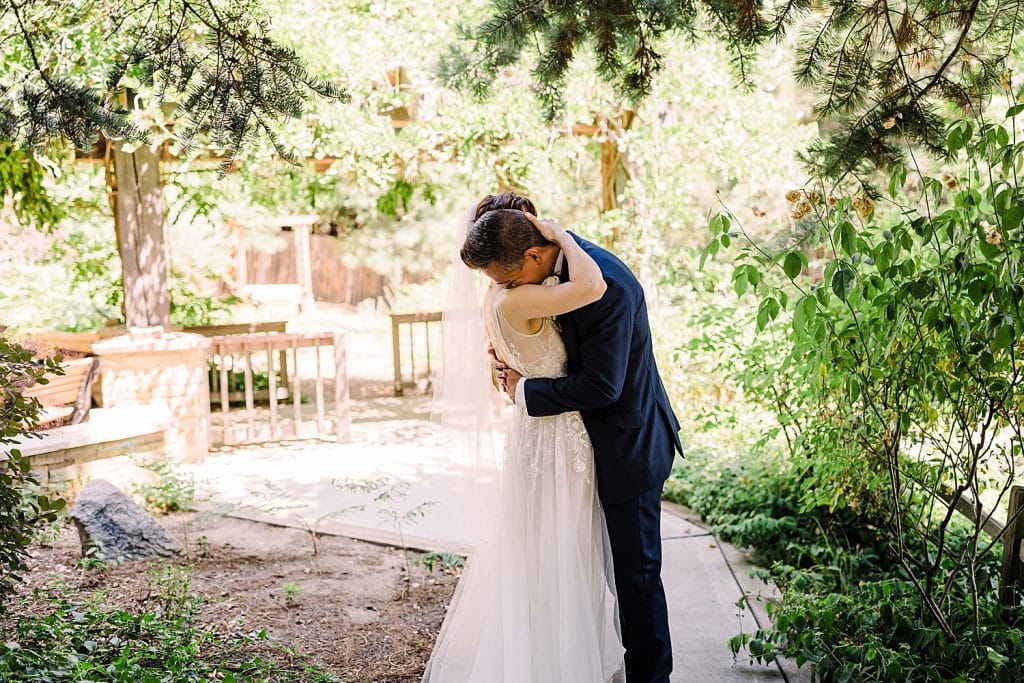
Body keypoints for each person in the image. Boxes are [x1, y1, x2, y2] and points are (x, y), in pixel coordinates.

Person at [423, 194, 625, 682]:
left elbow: (512, 361)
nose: (506, 279)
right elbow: (592, 285)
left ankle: (537, 658)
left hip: (533, 434)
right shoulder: (519, 295)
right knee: (565, 554)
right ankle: (562, 664)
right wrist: (560, 234)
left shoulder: (495, 298)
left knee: (538, 553)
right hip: (559, 440)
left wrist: (518, 385)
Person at [487, 193, 682, 683]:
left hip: (627, 446)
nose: (508, 290)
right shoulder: (548, 274)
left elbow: (602, 385)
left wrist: (524, 390)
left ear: (534, 255)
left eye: (510, 280)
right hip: (574, 450)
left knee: (635, 581)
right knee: (581, 571)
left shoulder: (605, 285)